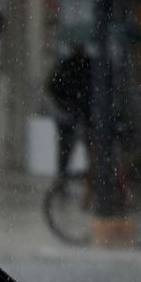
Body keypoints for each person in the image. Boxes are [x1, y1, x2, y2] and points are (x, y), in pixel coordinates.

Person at [47, 44, 91, 180]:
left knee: (69, 147)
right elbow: (53, 85)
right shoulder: (73, 65)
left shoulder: (70, 65)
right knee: (69, 146)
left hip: (77, 112)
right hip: (74, 112)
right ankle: (63, 177)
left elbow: (52, 85)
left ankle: (63, 177)